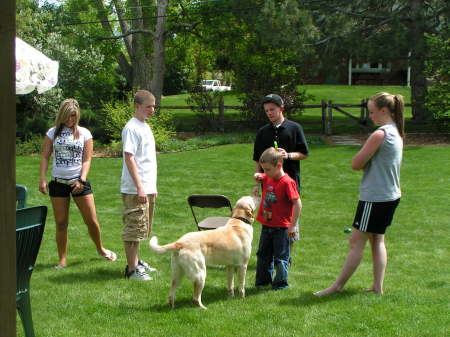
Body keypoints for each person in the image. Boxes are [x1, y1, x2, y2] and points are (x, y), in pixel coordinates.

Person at [314, 92, 404, 296]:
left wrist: (365, 160)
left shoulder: (380, 134)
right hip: (390, 195)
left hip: (375, 197)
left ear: (384, 111)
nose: (370, 116)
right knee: (377, 240)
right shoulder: (396, 131)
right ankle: (377, 287)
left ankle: (336, 287)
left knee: (356, 241)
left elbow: (356, 163)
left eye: (372, 112)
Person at [39, 98, 117, 268]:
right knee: (61, 223)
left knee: (92, 221)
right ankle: (62, 260)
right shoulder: (52, 133)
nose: (70, 120)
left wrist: (82, 179)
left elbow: (87, 160)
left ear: (77, 115)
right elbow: (45, 156)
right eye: (67, 116)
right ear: (61, 115)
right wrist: (42, 179)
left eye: (73, 116)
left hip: (79, 182)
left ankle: (101, 249)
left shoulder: (85, 133)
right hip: (58, 183)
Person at [253, 94, 309, 261]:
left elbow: (304, 153)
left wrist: (289, 155)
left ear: (281, 109)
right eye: (266, 110)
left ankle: (286, 256)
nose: (269, 113)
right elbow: (257, 159)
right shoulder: (263, 132)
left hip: (289, 183)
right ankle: (270, 255)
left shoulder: (294, 128)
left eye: (272, 109)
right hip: (269, 185)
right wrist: (257, 181)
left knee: (288, 218)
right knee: (270, 217)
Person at [121, 90, 158, 281]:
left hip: (147, 187)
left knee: (142, 227)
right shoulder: (131, 128)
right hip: (136, 188)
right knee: (133, 227)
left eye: (153, 106)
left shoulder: (145, 126)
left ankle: (137, 261)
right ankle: (131, 269)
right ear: (137, 106)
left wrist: (152, 188)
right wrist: (140, 187)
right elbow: (130, 158)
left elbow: (147, 160)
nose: (152, 110)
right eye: (148, 106)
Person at [254, 147, 302, 290]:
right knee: (263, 254)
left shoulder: (287, 182)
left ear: (279, 165)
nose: (265, 172)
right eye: (264, 169)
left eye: (267, 169)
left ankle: (280, 284)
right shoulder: (268, 176)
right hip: (266, 224)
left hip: (282, 227)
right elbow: (262, 176)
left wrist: (292, 225)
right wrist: (258, 177)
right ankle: (263, 281)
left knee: (281, 257)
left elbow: (298, 204)